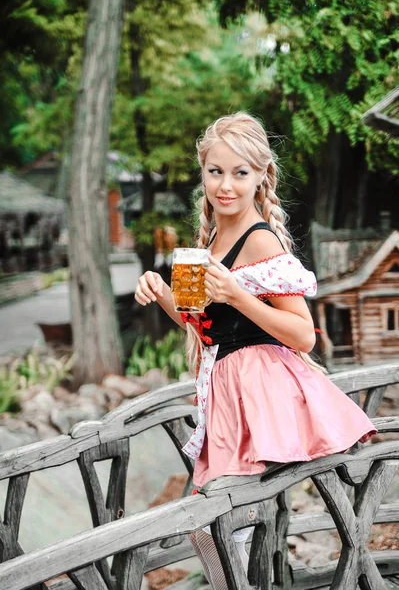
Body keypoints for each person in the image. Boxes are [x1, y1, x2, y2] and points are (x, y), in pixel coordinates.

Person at [134, 112, 377, 589]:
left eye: (240, 173)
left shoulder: (259, 237)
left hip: (259, 393)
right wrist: (161, 291)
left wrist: (238, 295)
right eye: (215, 171)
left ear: (261, 176)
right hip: (226, 391)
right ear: (202, 172)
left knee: (220, 525)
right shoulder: (212, 238)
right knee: (219, 529)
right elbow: (205, 328)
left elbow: (304, 335)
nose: (226, 185)